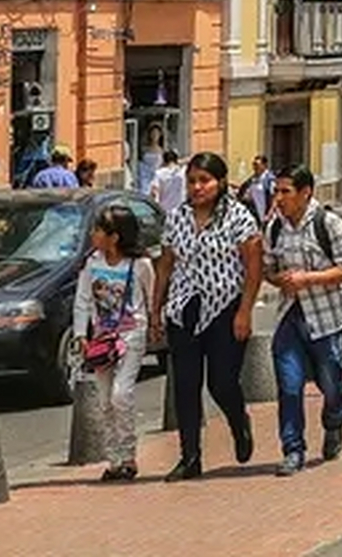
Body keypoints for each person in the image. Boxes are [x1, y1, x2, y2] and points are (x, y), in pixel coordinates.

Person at [150, 152, 263, 481]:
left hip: (225, 306)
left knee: (221, 382)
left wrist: (245, 310)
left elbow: (253, 266)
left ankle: (238, 422)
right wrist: (157, 309)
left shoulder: (239, 218)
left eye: (204, 181)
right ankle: (190, 457)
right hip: (184, 308)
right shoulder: (177, 217)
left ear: (221, 182)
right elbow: (166, 265)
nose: (197, 188)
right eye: (192, 181)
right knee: (185, 385)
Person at [265, 165, 342, 476]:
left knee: (330, 382)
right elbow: (269, 267)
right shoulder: (274, 228)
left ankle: (334, 422)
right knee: (289, 386)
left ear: (306, 193)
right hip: (290, 316)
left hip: (325, 318)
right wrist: (278, 278)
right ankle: (293, 450)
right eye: (276, 191)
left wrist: (308, 279)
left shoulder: (328, 224)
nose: (278, 199)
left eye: (285, 192)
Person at [73, 204, 154, 481]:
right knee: (105, 400)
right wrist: (81, 334)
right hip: (102, 339)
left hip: (131, 335)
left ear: (115, 236)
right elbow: (83, 300)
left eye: (98, 230)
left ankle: (129, 456)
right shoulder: (92, 263)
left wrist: (156, 324)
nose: (93, 234)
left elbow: (151, 296)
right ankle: (114, 459)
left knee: (122, 394)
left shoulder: (139, 264)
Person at [239, 155, 276, 220]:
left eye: (257, 164)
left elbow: (274, 198)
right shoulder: (252, 179)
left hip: (266, 215)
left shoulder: (270, 180)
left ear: (264, 165)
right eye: (254, 165)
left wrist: (269, 214)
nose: (255, 167)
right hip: (256, 214)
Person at [151, 150, 186, 216]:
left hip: (164, 209)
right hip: (180, 209)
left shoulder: (159, 173)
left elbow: (154, 191)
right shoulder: (182, 172)